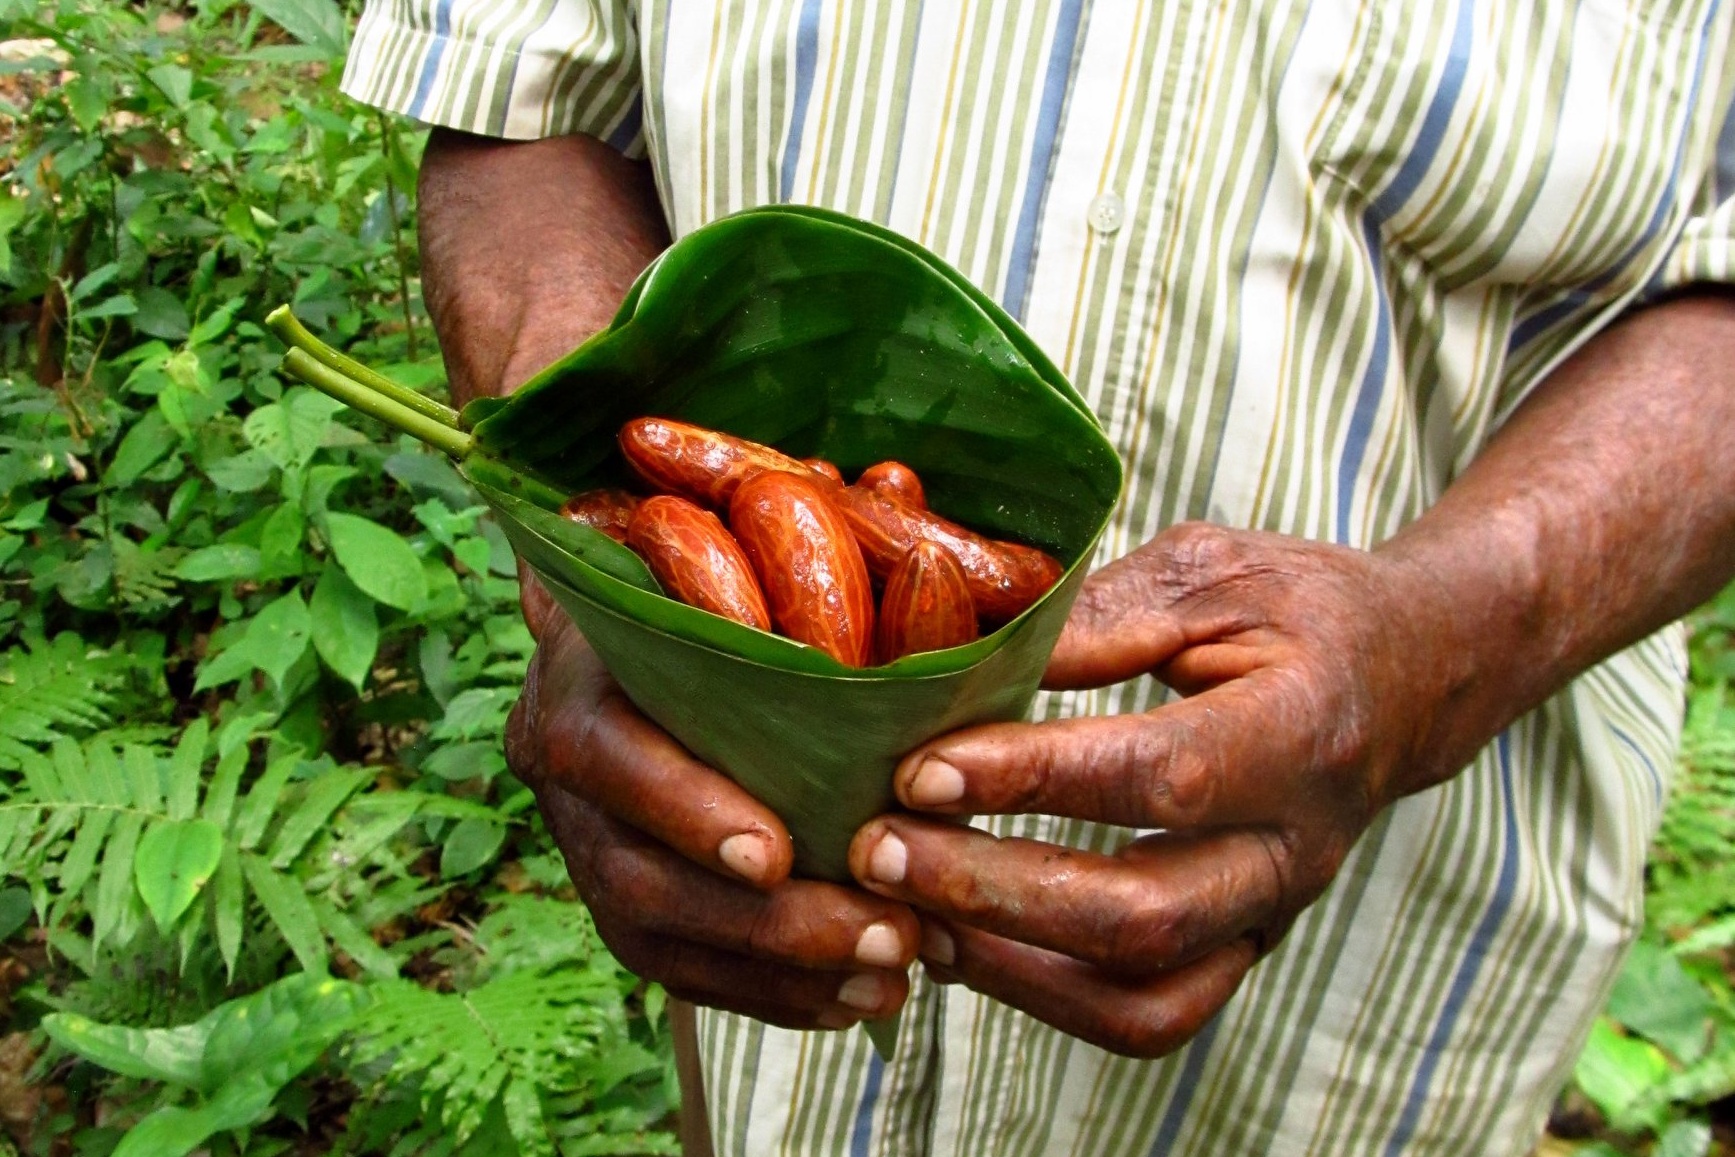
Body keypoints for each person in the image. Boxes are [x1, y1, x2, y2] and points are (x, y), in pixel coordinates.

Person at [342, 4, 1735, 1154]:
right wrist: (613, 573)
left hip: (1355, 1025)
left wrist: (1444, 641)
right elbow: (514, 86)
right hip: (766, 984)